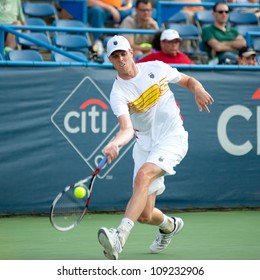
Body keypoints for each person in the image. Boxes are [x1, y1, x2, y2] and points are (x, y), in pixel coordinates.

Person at [97, 35, 214, 260]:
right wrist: (115, 143)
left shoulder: (156, 68)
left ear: (131, 52)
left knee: (143, 176)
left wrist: (197, 88)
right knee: (144, 214)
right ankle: (169, 226)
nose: (121, 59)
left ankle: (119, 237)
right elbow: (126, 129)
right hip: (144, 146)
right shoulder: (118, 93)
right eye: (115, 56)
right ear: (110, 60)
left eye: (123, 53)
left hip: (172, 138)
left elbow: (187, 81)